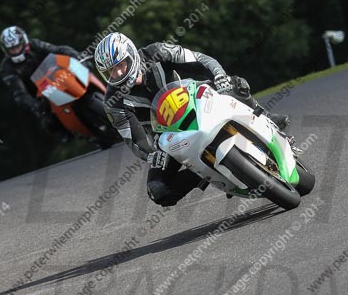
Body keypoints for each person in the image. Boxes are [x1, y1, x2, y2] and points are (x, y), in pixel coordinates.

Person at [94, 32, 290, 207]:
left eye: (120, 64)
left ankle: (264, 116)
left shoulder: (158, 52)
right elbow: (134, 139)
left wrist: (220, 76)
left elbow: (199, 60)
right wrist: (150, 154)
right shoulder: (113, 102)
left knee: (236, 83)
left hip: (197, 101)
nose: (118, 73)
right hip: (168, 137)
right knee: (158, 190)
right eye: (111, 71)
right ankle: (202, 173)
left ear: (131, 54)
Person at [0, 25, 83, 142]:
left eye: (17, 46)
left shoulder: (35, 45)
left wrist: (76, 55)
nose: (16, 50)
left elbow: (57, 49)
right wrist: (34, 105)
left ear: (24, 41)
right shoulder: (6, 68)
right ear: (6, 50)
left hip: (57, 77)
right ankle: (66, 131)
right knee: (48, 120)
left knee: (83, 69)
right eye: (12, 49)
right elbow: (19, 93)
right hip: (39, 95)